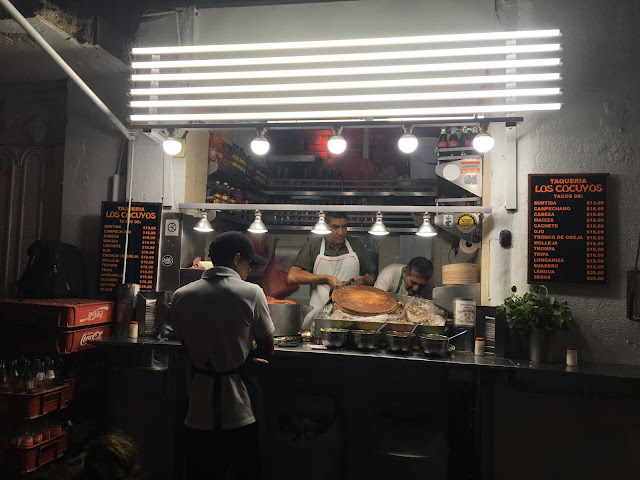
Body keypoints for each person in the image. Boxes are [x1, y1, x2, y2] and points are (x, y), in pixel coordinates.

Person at [171, 231, 275, 480]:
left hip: (198, 408)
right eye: (248, 263)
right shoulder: (252, 293)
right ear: (237, 258)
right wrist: (245, 349)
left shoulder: (181, 296)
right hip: (239, 409)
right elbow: (268, 346)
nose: (249, 269)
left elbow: (187, 347)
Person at [287, 212, 376, 328]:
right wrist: (326, 278)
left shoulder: (356, 244)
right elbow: (293, 276)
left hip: (350, 315)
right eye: (335, 227)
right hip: (319, 315)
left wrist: (362, 280)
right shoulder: (314, 245)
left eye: (344, 226)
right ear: (325, 226)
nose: (341, 232)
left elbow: (371, 277)